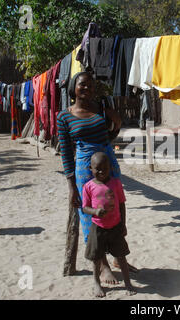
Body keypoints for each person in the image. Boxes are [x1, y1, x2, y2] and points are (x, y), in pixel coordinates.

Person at [57, 71, 138, 279]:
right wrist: (71, 186)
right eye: (83, 85)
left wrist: (116, 123)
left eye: (91, 85)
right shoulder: (64, 116)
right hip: (85, 168)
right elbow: (66, 153)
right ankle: (101, 265)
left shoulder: (100, 108)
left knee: (116, 208)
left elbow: (108, 135)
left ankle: (118, 257)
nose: (88, 88)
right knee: (93, 215)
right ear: (74, 87)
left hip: (108, 160)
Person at [82, 152, 136, 297]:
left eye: (104, 168)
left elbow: (121, 204)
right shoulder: (88, 186)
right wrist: (95, 211)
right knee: (96, 258)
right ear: (90, 168)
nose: (101, 172)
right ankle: (96, 283)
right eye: (97, 169)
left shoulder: (116, 183)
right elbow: (84, 207)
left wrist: (123, 224)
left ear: (110, 168)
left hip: (116, 226)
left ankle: (128, 283)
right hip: (98, 227)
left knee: (121, 256)